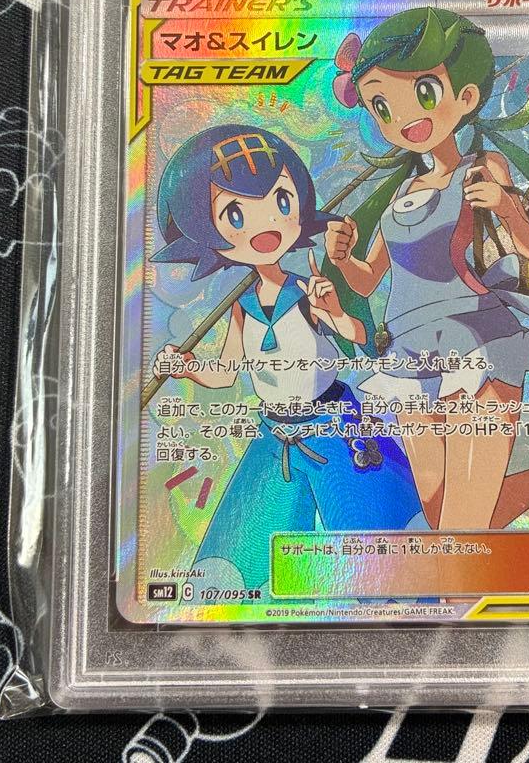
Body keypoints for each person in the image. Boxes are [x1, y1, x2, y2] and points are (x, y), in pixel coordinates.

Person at [325, 8, 529, 530]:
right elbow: (369, 280)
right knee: (443, 515)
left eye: (423, 93)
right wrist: (342, 259)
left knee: (460, 526)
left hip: (476, 340)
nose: (402, 117)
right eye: (382, 106)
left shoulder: (483, 168)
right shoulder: (402, 192)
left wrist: (506, 205)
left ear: (466, 97)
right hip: (408, 356)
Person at [151, 124, 423, 597]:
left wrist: (333, 311)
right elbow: (227, 374)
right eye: (235, 213)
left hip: (336, 427)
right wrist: (185, 366)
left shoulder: (308, 288)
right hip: (275, 436)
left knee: (385, 555)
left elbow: (359, 338)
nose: (264, 226)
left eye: (280, 202)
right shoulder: (241, 305)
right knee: (234, 567)